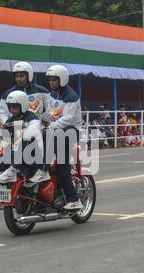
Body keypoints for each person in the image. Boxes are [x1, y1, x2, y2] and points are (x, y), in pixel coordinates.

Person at [0, 90, 42, 211]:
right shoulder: (10, 120)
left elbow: (34, 130)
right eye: (10, 107)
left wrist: (20, 131)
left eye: (15, 107)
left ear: (23, 105)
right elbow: (4, 141)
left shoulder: (32, 117)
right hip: (13, 155)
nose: (13, 110)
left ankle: (14, 169)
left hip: (31, 156)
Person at [41, 64, 83, 210]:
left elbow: (68, 119)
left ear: (62, 79)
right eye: (50, 80)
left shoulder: (71, 97)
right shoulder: (52, 95)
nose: (51, 82)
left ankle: (74, 199)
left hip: (71, 131)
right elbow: (49, 114)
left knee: (61, 166)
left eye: (54, 80)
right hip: (56, 130)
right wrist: (38, 121)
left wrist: (50, 127)